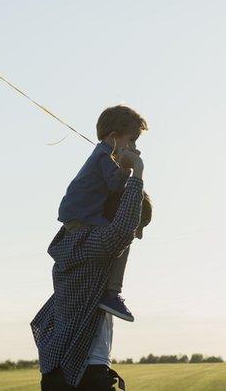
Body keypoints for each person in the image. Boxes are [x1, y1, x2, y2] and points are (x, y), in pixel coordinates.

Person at [33, 148, 147, 389]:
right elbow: (123, 228)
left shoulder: (78, 246)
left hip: (65, 369)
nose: (138, 236)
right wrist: (136, 169)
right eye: (140, 225)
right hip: (81, 372)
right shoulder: (95, 247)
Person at [57, 105, 148, 321]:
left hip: (78, 215)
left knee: (117, 239)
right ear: (114, 137)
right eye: (132, 140)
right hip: (83, 217)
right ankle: (112, 293)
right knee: (121, 240)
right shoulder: (104, 157)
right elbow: (116, 185)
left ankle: (110, 291)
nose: (135, 146)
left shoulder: (102, 155)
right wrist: (129, 167)